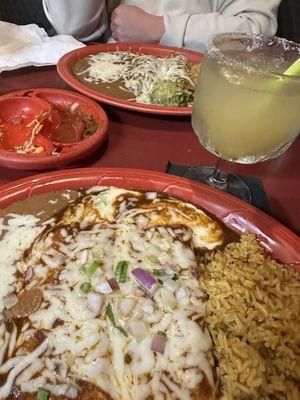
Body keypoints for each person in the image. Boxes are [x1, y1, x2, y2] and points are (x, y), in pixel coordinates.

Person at [42, 0, 281, 51]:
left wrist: (161, 28)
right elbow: (74, 29)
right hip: (97, 74)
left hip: (199, 91)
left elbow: (256, 33)